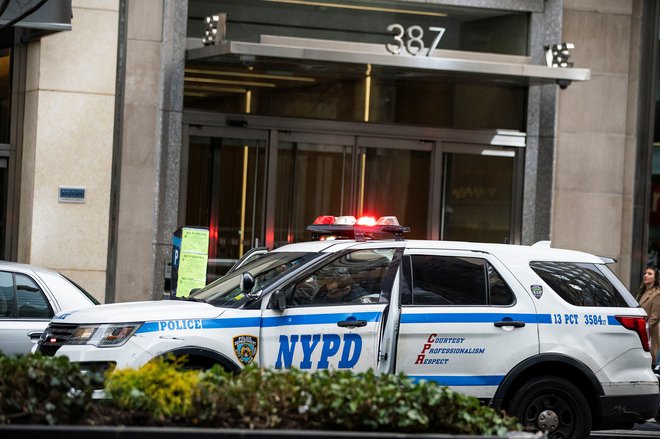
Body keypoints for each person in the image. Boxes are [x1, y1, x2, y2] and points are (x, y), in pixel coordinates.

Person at [637, 265, 660, 366]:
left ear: (655, 278)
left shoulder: (656, 294)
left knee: (650, 363)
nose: (645, 275)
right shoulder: (641, 293)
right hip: (641, 332)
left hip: (649, 333)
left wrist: (642, 327)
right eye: (645, 273)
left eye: (649, 274)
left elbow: (655, 318)